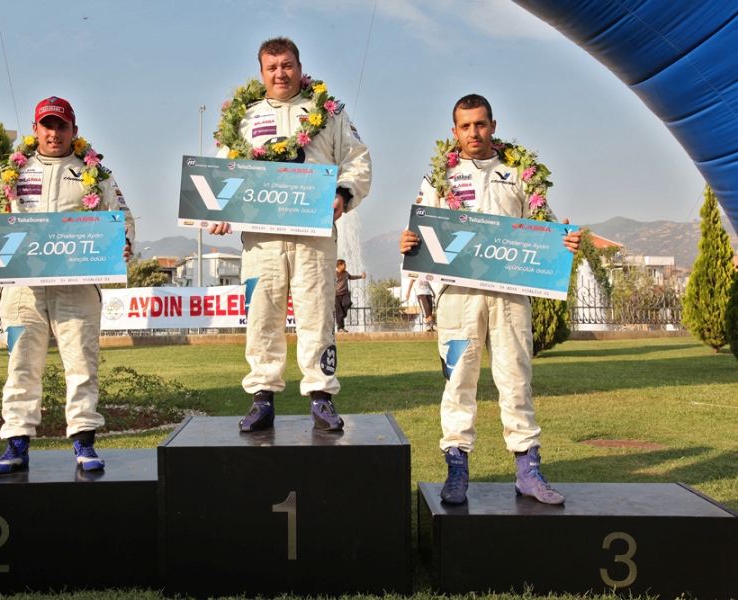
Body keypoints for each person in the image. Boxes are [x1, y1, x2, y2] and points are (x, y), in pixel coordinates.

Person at [399, 94, 581, 505]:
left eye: (480, 124)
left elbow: (544, 228)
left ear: (493, 126)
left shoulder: (519, 174)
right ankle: (456, 470)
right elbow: (421, 230)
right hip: (457, 297)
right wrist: (408, 242)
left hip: (509, 296)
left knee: (516, 379)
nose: (474, 133)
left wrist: (562, 240)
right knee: (458, 381)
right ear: (454, 131)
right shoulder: (439, 178)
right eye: (465, 126)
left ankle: (528, 471)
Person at [0, 96, 135, 473]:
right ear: (35, 130)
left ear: (74, 130)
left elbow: (122, 219)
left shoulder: (96, 173)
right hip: (21, 289)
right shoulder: (11, 171)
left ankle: (84, 443)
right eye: (47, 126)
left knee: (82, 365)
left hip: (78, 286)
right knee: (21, 364)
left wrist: (125, 243)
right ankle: (16, 445)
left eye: (62, 126)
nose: (54, 133)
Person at [208, 37, 372, 432]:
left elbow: (357, 160)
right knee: (261, 317)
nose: (280, 73)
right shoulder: (243, 116)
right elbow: (222, 171)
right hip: (261, 240)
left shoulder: (329, 112)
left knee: (317, 316)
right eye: (272, 67)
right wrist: (217, 209)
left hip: (313, 235)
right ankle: (262, 399)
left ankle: (322, 397)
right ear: (261, 72)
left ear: (299, 67)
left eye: (287, 65)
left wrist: (343, 194)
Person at [335, 259, 365, 333]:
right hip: (336, 295)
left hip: (345, 293)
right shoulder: (334, 274)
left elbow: (351, 277)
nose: (345, 266)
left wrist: (360, 276)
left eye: (345, 264)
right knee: (339, 312)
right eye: (344, 265)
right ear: (339, 265)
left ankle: (344, 313)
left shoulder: (345, 273)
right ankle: (340, 328)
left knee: (347, 303)